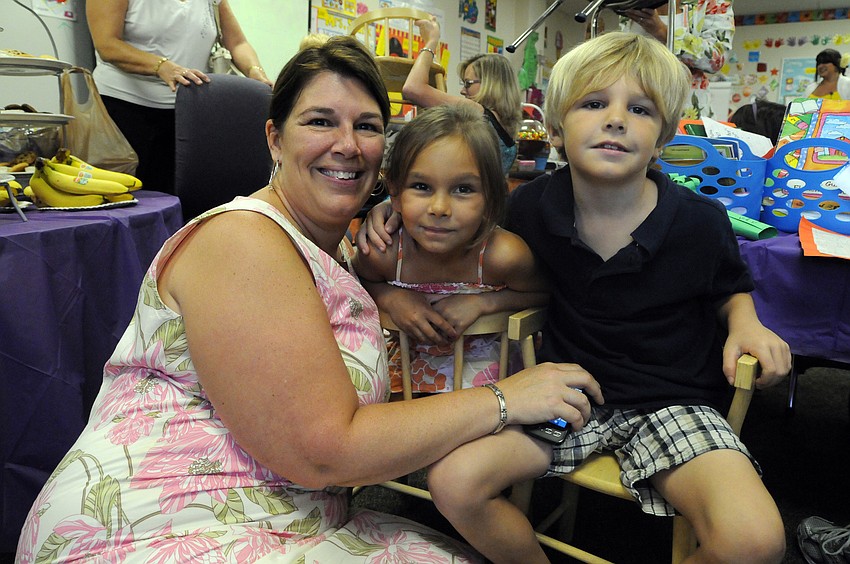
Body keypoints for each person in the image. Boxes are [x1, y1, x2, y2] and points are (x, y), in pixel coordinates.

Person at [15, 35, 603, 563]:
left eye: (367, 126)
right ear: (274, 137)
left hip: (280, 515)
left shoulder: (341, 248)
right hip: (158, 526)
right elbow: (325, 449)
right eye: (321, 121)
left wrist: (384, 283)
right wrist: (506, 398)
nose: (347, 145)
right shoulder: (243, 242)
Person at [358, 32, 792, 563]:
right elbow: (459, 225)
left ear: (663, 138)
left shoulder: (701, 221)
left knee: (756, 540)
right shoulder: (532, 208)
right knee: (453, 482)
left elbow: (730, 287)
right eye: (593, 103)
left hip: (676, 403)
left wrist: (747, 324)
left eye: (640, 108)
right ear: (558, 128)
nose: (615, 119)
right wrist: (390, 212)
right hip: (567, 395)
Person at [354, 104, 548, 396]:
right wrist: (391, 297)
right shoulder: (387, 252)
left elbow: (544, 292)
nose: (440, 208)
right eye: (421, 186)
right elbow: (357, 281)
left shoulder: (502, 254)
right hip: (403, 383)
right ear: (395, 193)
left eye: (463, 190)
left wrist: (484, 304)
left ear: (491, 200)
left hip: (490, 391)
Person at [86, 0, 273, 195]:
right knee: (126, 198)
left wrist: (255, 71)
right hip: (123, 109)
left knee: (182, 198)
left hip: (187, 112)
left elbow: (237, 42)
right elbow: (106, 44)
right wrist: (161, 66)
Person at [403, 15, 522, 175]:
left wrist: (432, 41)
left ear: (490, 84)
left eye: (468, 83)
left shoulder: (478, 113)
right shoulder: (507, 131)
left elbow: (412, 88)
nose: (462, 91)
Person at [620, 0, 734, 119]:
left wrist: (662, 32)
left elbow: (716, 59)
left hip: (683, 109)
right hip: (634, 104)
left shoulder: (712, 3)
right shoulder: (630, 3)